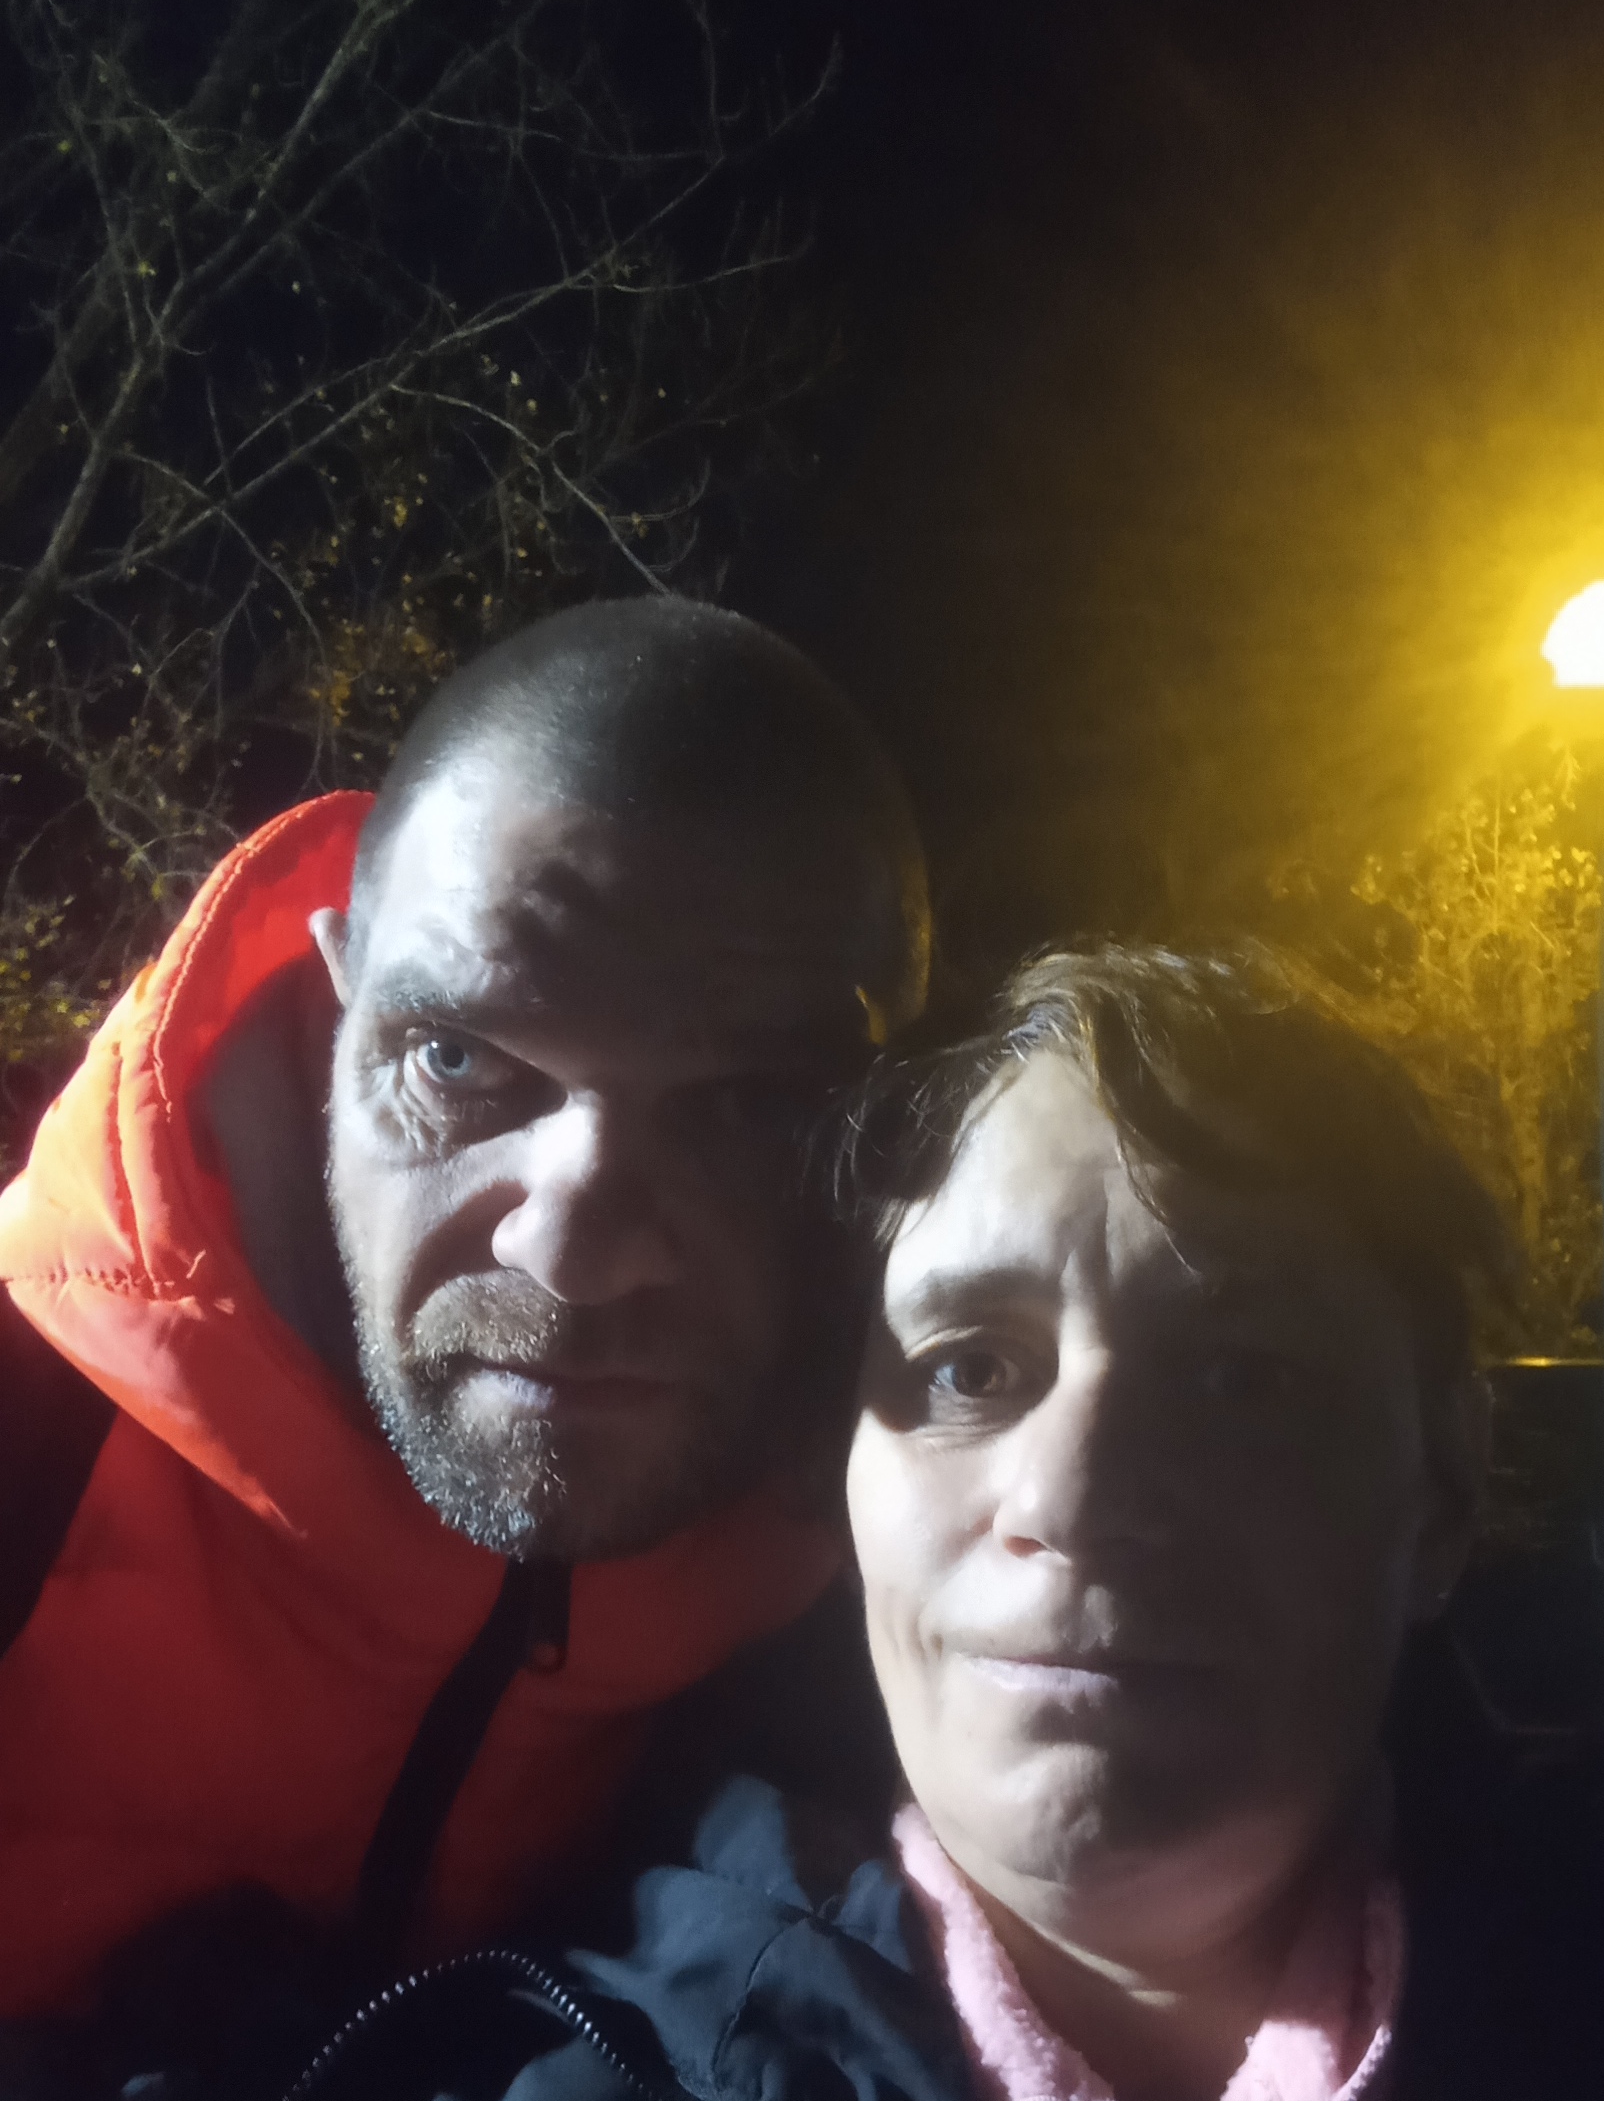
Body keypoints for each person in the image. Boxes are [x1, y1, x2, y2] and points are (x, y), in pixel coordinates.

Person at [43, 947, 1604, 2101]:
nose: (1081, 1492)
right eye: (964, 1369)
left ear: (1439, 1493)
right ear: (842, 1492)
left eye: (1246, 1378)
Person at [0, 594, 928, 2019]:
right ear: (341, 1010)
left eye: (752, 1109)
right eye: (455, 1060)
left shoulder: (914, 1551)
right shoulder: (33, 1422)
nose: (573, 1254)